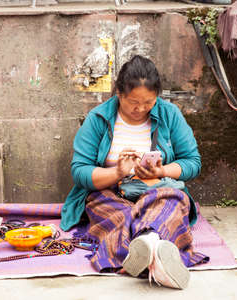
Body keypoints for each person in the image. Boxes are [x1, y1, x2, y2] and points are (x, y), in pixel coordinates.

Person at [60, 55, 207, 289]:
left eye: (148, 102)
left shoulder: (169, 114)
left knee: (170, 201)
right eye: (133, 102)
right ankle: (157, 251)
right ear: (119, 93)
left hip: (158, 191)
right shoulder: (98, 118)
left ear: (157, 95)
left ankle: (144, 247)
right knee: (118, 215)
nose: (140, 109)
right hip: (111, 193)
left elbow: (192, 162)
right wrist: (117, 172)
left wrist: (162, 170)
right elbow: (80, 171)